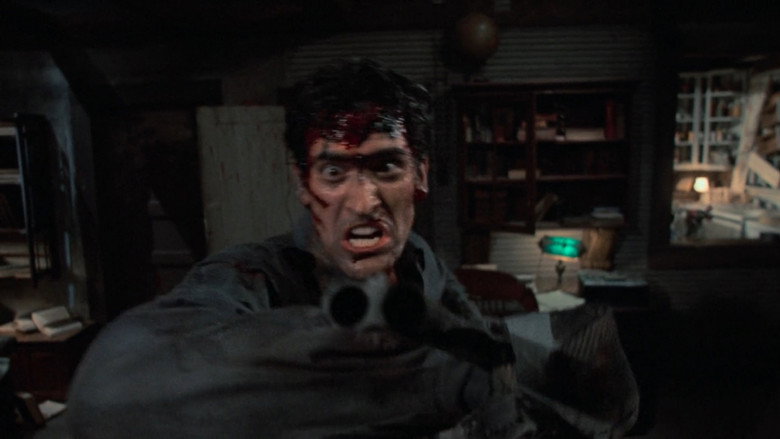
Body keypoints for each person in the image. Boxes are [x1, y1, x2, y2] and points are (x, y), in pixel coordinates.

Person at [67, 58, 638, 438]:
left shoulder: (421, 260)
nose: (364, 202)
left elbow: (477, 338)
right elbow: (116, 389)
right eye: (334, 172)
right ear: (302, 184)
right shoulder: (250, 276)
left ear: (420, 174)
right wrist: (405, 373)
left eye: (386, 166)